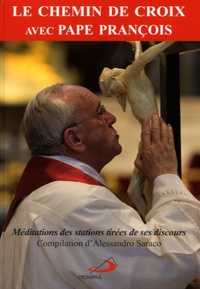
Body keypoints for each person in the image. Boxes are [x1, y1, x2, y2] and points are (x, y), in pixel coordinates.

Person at [0, 83, 200, 289]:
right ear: (74, 138)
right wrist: (166, 176)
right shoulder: (80, 202)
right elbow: (176, 261)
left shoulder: (42, 198)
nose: (112, 118)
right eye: (100, 113)